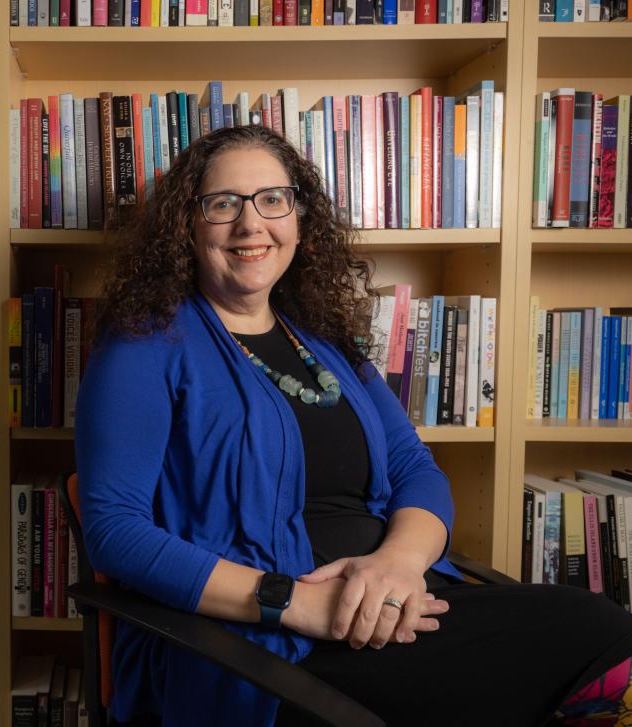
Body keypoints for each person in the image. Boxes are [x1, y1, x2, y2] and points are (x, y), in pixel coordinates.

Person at [74, 125, 632, 727]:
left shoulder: (323, 343)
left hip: (398, 601)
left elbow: (414, 469)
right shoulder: (143, 345)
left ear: (299, 218)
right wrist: (291, 603)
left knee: (597, 629)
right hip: (264, 646)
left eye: (272, 200)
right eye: (222, 204)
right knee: (590, 637)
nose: (250, 224)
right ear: (187, 225)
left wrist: (397, 563)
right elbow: (116, 531)